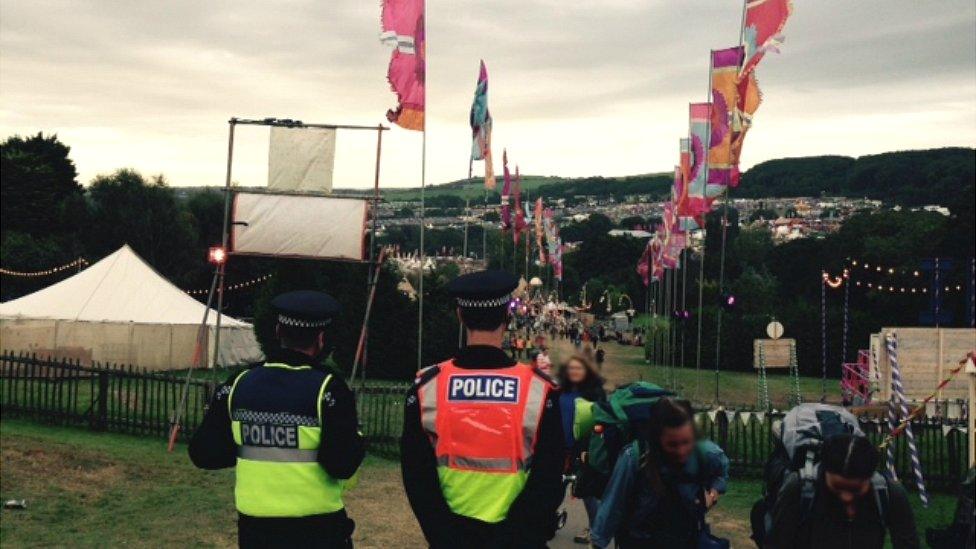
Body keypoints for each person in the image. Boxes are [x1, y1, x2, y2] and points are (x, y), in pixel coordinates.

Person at [401, 270, 565, 549]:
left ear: (460, 316)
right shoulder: (538, 390)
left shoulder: (428, 386)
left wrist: (443, 534)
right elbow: (548, 475)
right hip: (518, 540)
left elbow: (416, 474)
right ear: (507, 317)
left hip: (450, 537)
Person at [189, 291, 365, 548]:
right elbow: (342, 465)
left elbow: (204, 453)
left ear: (277, 331)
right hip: (318, 530)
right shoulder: (328, 388)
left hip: (256, 530)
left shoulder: (239, 384)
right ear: (321, 339)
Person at [590, 398, 729, 549]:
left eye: (686, 442)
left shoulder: (705, 452)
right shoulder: (634, 456)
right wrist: (598, 543)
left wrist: (714, 490)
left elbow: (721, 469)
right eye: (673, 444)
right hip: (641, 540)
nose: (682, 451)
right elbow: (614, 502)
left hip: (685, 538)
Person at [765, 434, 919, 549]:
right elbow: (779, 543)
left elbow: (908, 544)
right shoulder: (799, 488)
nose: (847, 497)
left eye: (856, 489)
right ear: (824, 471)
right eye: (838, 488)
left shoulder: (890, 494)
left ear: (870, 477)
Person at [556, 354, 606, 545]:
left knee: (588, 492)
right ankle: (549, 519)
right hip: (561, 448)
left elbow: (602, 422)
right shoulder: (559, 391)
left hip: (584, 450)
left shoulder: (593, 394)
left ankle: (595, 530)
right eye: (571, 369)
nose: (574, 372)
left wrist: (593, 448)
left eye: (579, 369)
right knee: (555, 486)